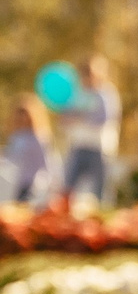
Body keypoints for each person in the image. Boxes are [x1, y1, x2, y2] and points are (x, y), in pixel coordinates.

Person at [59, 53, 121, 205]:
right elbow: (65, 118)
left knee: (100, 191)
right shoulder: (76, 95)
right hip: (78, 146)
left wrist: (79, 118)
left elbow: (104, 118)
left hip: (99, 148)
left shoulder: (105, 93)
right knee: (68, 188)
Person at [2, 96, 56, 203]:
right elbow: (10, 157)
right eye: (20, 114)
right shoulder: (17, 136)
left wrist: (49, 183)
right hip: (22, 182)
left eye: (25, 114)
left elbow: (46, 162)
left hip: (34, 184)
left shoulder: (38, 137)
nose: (22, 118)